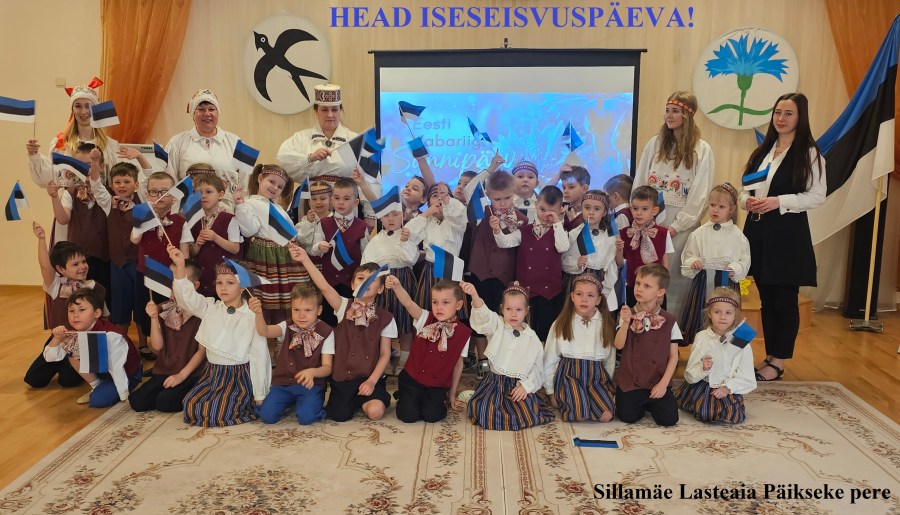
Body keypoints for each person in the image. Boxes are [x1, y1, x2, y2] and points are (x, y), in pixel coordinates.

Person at [740, 92, 825, 381]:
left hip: (788, 235)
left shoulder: (809, 153)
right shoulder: (763, 151)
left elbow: (817, 195)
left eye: (788, 113)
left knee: (785, 300)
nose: (781, 118)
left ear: (800, 118)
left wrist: (779, 201)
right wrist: (746, 201)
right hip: (758, 232)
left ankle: (779, 361)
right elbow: (744, 189)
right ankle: (770, 355)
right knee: (766, 298)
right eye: (778, 112)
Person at [290, 245, 395, 422]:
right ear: (352, 285)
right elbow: (324, 287)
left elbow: (385, 354)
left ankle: (366, 399)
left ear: (380, 288)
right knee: (339, 415)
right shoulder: (342, 306)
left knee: (375, 412)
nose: (365, 282)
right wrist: (305, 260)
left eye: (371, 280)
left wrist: (371, 381)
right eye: (360, 278)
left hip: (370, 376)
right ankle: (351, 400)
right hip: (343, 378)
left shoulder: (386, 318)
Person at [170, 246, 272, 427]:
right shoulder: (211, 307)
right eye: (219, 283)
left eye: (230, 283)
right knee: (191, 405)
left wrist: (260, 395)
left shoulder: (251, 315)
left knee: (216, 411)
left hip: (237, 378)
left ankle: (243, 405)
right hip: (213, 374)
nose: (223, 287)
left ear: (243, 287)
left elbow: (259, 356)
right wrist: (179, 267)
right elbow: (187, 299)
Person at [634, 92, 714, 316]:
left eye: (675, 111)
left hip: (679, 227)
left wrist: (677, 226)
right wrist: (640, 215)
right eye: (667, 110)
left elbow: (700, 194)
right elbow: (641, 181)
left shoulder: (701, 149)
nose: (669, 115)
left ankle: (673, 330)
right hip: (650, 222)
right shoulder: (655, 144)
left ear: (687, 115)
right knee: (647, 277)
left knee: (675, 278)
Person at [277, 84, 381, 219]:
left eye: (335, 109)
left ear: (340, 110)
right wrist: (310, 158)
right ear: (316, 111)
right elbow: (284, 162)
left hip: (345, 202)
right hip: (310, 201)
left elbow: (370, 178)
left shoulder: (355, 140)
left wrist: (370, 214)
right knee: (308, 232)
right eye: (324, 110)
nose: (330, 115)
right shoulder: (301, 138)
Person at [24, 224, 106, 394]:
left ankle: (73, 366)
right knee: (34, 380)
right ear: (61, 269)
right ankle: (60, 361)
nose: (82, 267)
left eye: (84, 261)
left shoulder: (96, 288)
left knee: (68, 381)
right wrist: (41, 239)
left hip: (82, 343)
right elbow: (45, 267)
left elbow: (103, 319)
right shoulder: (57, 286)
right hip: (59, 339)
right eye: (75, 264)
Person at [461, 280, 553, 431]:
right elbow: (484, 317)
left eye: (518, 309)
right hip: (495, 383)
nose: (513, 314)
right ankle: (474, 397)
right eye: (509, 309)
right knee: (485, 413)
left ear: (526, 311)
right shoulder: (497, 325)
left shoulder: (532, 338)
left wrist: (525, 387)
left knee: (525, 415)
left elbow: (537, 368)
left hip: (517, 385)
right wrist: (474, 295)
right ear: (502, 309)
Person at [386, 277, 471, 423]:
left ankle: (432, 400)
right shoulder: (425, 317)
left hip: (437, 385)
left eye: (445, 302)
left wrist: (452, 394)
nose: (439, 307)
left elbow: (458, 364)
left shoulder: (463, 333)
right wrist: (397, 286)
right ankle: (404, 396)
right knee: (408, 416)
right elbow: (408, 303)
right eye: (435, 302)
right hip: (412, 379)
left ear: (458, 305)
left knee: (432, 416)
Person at [468, 171, 527, 376]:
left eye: (507, 198)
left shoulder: (521, 220)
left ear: (514, 193)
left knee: (502, 318)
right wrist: (489, 169)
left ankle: (499, 359)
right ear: (489, 195)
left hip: (505, 276)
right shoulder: (480, 212)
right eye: (497, 199)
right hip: (480, 273)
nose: (502, 203)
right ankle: (482, 359)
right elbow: (469, 191)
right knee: (479, 316)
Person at [493, 185, 569, 342]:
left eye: (552, 212)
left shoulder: (560, 231)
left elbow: (562, 247)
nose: (546, 215)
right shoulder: (525, 230)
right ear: (535, 204)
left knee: (547, 331)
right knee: (526, 329)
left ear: (560, 209)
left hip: (550, 291)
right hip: (527, 291)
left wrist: (557, 223)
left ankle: (545, 355)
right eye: (542, 209)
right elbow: (504, 242)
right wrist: (497, 230)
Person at [251, 283, 334, 425]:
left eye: (308, 310)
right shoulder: (287, 325)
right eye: (296, 310)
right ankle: (289, 401)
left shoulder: (326, 332)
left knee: (306, 417)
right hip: (284, 383)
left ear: (319, 310)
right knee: (267, 416)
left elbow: (327, 367)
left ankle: (307, 403)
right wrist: (258, 314)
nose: (301, 315)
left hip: (311, 386)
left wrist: (313, 372)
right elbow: (264, 331)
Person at [129, 260, 206, 413]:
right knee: (137, 402)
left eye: (180, 282)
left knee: (165, 403)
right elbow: (157, 346)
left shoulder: (202, 312)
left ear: (195, 286)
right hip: (164, 369)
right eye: (171, 281)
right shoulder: (162, 308)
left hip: (191, 372)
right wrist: (153, 318)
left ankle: (196, 393)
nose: (173, 286)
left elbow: (202, 352)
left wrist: (181, 376)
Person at [44, 288, 142, 408]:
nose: (75, 315)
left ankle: (107, 388)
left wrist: (124, 395)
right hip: (104, 371)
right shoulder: (74, 333)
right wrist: (57, 338)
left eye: (82, 310)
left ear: (97, 313)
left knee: (97, 400)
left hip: (127, 373)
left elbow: (116, 367)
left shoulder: (110, 335)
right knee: (72, 352)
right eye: (71, 310)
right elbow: (51, 358)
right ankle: (97, 385)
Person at [679, 182, 751, 344]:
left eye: (721, 206)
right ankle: (701, 347)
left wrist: (735, 268)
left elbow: (744, 259)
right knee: (702, 314)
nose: (715, 210)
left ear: (731, 209)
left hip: (727, 284)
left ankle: (728, 349)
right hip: (704, 283)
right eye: (712, 205)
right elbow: (689, 255)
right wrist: (694, 262)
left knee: (726, 316)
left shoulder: (738, 235)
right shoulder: (699, 233)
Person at [130, 172, 193, 351]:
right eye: (154, 191)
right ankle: (157, 352)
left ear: (173, 196)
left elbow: (185, 255)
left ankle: (170, 355)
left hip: (171, 278)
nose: (159, 196)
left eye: (165, 192)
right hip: (147, 276)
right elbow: (134, 239)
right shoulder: (142, 216)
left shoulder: (180, 221)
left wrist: (180, 279)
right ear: (148, 194)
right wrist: (143, 218)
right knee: (150, 315)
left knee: (171, 316)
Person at [674, 288, 756, 423]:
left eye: (728, 313)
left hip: (726, 386)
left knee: (734, 416)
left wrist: (728, 388)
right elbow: (689, 373)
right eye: (717, 312)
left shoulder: (741, 340)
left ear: (735, 315)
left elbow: (747, 377)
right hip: (703, 383)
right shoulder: (702, 337)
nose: (723, 317)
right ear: (709, 313)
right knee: (705, 413)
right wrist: (703, 368)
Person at [26, 77, 122, 192]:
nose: (83, 111)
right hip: (69, 203)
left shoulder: (111, 145)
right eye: (78, 106)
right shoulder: (61, 143)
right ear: (72, 109)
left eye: (88, 106)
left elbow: (119, 179)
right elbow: (52, 177)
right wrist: (34, 156)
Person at [90, 158, 147, 348]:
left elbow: (148, 176)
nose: (122, 185)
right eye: (117, 182)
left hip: (138, 263)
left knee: (140, 304)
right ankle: (121, 345)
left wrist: (139, 156)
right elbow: (95, 184)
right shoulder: (109, 203)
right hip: (118, 263)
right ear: (112, 185)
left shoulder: (142, 202)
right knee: (120, 306)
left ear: (136, 184)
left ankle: (143, 344)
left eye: (127, 181)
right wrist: (94, 162)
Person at [614, 264, 681, 426]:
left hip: (656, 380)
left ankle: (652, 403)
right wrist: (625, 322)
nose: (639, 289)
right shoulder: (626, 314)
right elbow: (618, 345)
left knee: (669, 420)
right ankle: (640, 403)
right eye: (638, 283)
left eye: (647, 286)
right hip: (631, 381)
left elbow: (674, 356)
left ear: (660, 292)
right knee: (628, 417)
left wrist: (663, 384)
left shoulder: (670, 320)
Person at [543, 274, 616, 422]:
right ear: (572, 297)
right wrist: (550, 391)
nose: (584, 299)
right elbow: (550, 358)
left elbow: (610, 360)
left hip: (596, 377)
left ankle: (588, 399)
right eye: (579, 294)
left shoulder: (605, 323)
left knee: (606, 416)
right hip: (570, 375)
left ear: (598, 300)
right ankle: (568, 398)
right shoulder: (561, 322)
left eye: (590, 295)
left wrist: (608, 386)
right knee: (579, 414)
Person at [233, 164, 300, 324]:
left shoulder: (278, 207)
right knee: (264, 301)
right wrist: (240, 205)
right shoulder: (250, 202)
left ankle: (280, 333)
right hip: (265, 256)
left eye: (280, 186)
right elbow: (249, 230)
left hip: (284, 257)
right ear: (260, 178)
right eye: (271, 182)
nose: (275, 188)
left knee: (285, 302)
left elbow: (291, 231)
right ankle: (263, 332)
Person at [361, 205, 419, 374]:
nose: (391, 219)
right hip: (381, 282)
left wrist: (404, 241)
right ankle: (382, 359)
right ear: (380, 218)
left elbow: (410, 259)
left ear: (404, 215)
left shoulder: (408, 237)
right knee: (381, 320)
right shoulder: (375, 240)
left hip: (404, 281)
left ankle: (405, 359)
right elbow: (367, 265)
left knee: (406, 320)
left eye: (395, 214)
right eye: (386, 215)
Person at [163, 89, 244, 210]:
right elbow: (168, 180)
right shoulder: (175, 143)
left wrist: (243, 211)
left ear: (218, 112)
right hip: (188, 213)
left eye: (211, 109)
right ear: (193, 114)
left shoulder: (237, 141)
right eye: (201, 109)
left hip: (229, 214)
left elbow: (247, 183)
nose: (207, 114)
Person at [47, 143, 110, 296]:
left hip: (104, 256)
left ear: (101, 167)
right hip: (78, 258)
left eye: (89, 165)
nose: (83, 170)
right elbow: (63, 219)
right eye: (78, 165)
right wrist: (54, 197)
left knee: (103, 295)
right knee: (80, 297)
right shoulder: (70, 193)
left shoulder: (108, 192)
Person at [309, 178, 370, 326]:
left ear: (355, 202)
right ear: (331, 200)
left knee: (350, 319)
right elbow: (313, 248)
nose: (341, 202)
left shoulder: (362, 227)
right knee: (327, 319)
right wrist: (319, 246)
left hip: (351, 284)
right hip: (328, 283)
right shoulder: (323, 223)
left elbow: (366, 256)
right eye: (336, 198)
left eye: (346, 199)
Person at [618, 186, 674, 307]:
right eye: (635, 208)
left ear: (654, 211)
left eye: (644, 209)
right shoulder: (624, 233)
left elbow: (664, 263)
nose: (638, 213)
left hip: (654, 290)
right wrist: (618, 249)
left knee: (655, 317)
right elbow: (620, 263)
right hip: (631, 288)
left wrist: (662, 290)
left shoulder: (663, 233)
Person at [190, 173, 243, 298]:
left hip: (225, 278)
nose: (203, 196)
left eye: (208, 192)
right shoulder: (194, 220)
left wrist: (215, 238)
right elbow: (191, 253)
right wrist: (197, 244)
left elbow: (235, 248)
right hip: (203, 277)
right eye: (199, 193)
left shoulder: (230, 219)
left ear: (220, 194)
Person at [561, 190, 619, 303]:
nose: (591, 212)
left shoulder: (610, 238)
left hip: (599, 282)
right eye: (587, 208)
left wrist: (606, 292)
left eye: (597, 209)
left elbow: (612, 266)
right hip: (575, 281)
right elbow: (563, 261)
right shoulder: (574, 234)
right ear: (581, 209)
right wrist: (575, 264)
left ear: (604, 212)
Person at [560, 165, 591, 231]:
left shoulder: (591, 212)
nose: (565, 191)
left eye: (571, 187)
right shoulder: (561, 208)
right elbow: (545, 195)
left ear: (584, 189)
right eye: (564, 187)